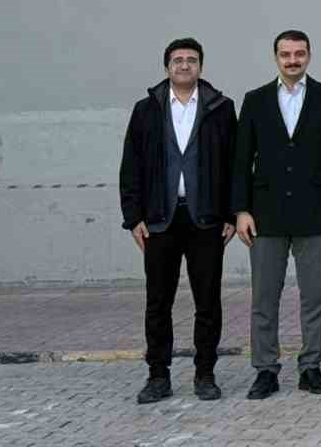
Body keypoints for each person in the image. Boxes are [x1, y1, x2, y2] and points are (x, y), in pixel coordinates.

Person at [231, 29, 321, 399]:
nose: (292, 60)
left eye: (299, 53)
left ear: (309, 56)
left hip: (316, 216)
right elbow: (241, 160)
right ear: (276, 58)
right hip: (265, 217)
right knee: (264, 298)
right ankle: (265, 370)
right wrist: (240, 210)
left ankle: (311, 368)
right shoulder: (255, 100)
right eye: (286, 54)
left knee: (315, 297)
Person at [119, 37, 238, 404]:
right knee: (158, 302)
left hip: (206, 220)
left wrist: (232, 214)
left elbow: (234, 165)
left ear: (201, 66)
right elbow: (131, 166)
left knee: (208, 302)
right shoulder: (146, 110)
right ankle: (158, 375)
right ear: (167, 67)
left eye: (191, 60)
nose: (184, 65)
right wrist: (133, 217)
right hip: (159, 220)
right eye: (177, 60)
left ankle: (205, 374)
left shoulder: (220, 108)